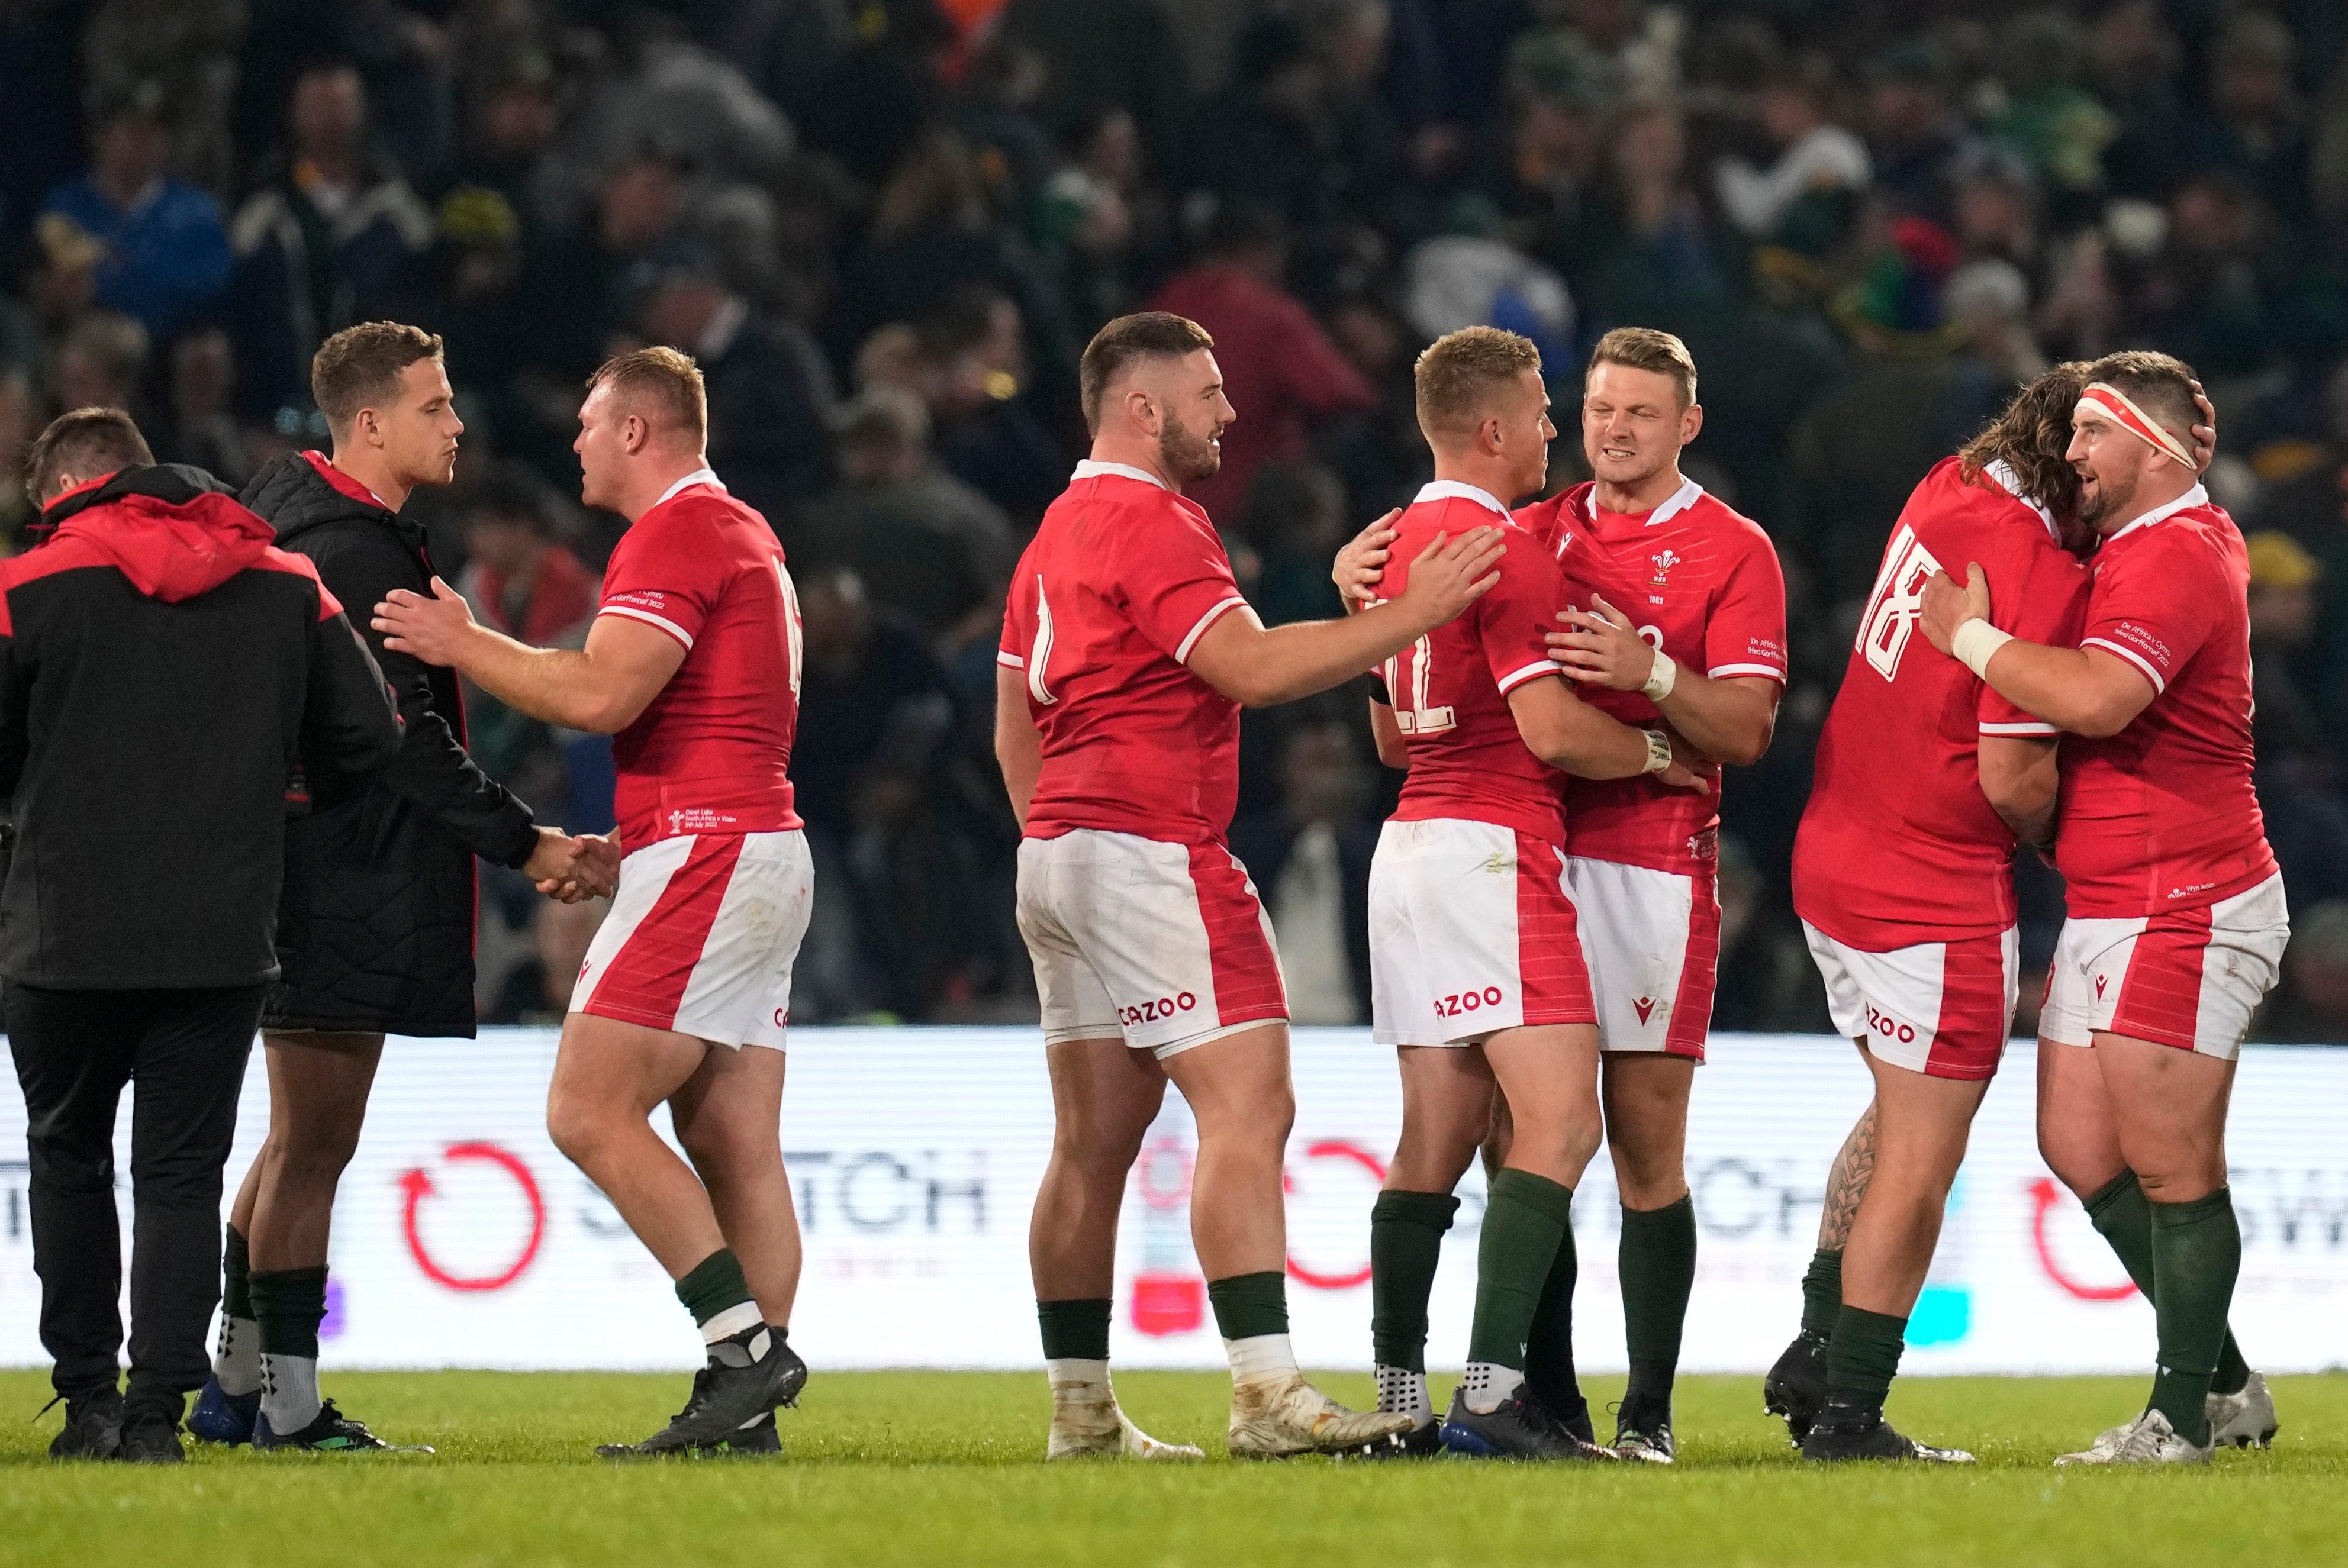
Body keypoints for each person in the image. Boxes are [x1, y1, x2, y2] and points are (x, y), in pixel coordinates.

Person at [993, 311, 1502, 1461]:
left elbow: (1012, 717)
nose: (1230, 411)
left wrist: (1055, 837)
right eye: (1210, 391)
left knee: (1089, 1142)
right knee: (1246, 1105)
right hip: (1151, 841)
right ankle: (1265, 1390)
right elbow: (1247, 666)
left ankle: (1080, 1411)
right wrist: (1401, 619)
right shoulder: (1157, 519)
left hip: (1059, 849)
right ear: (1142, 408)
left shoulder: (1053, 534)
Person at [1337, 327, 1787, 1461]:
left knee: (1639, 1141)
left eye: (1638, 411)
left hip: (1641, 862)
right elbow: (1480, 704)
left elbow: (1746, 729)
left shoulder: (1735, 549)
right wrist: (1363, 595)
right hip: (1521, 852)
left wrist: (1654, 676)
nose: (1605, 428)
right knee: (1519, 1134)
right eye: (1591, 407)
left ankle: (1646, 1411)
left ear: (1687, 423)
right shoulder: (1521, 532)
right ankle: (1533, 1397)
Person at [373, 347, 814, 1459]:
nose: (572, 437)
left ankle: (743, 1355)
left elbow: (605, 690)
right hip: (750, 843)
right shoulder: (742, 530)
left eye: (587, 420)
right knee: (734, 1141)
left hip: (717, 851)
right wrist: (658, 825)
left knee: (585, 1108)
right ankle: (747, 1409)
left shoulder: (673, 532)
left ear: (637, 431)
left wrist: (465, 644)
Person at [196, 323, 607, 1454]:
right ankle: (285, 1404)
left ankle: (232, 1386)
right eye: (434, 405)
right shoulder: (358, 553)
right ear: (370, 423)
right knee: (314, 1146)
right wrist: (524, 844)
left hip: (300, 867)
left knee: (291, 1144)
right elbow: (400, 740)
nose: (458, 423)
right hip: (345, 874)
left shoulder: (288, 516)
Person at [7, 408, 401, 1463]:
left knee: (70, 1158)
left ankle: (89, 1401)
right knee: (182, 1174)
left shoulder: (24, 589)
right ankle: (154, 1420)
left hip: (58, 934)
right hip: (221, 931)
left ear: (65, 495)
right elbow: (369, 731)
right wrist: (281, 790)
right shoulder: (284, 581)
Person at [1919, 351, 2288, 1465]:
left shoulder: (2179, 551)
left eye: (2091, 431)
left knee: (2176, 1165)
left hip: (2190, 895)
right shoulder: (2141, 547)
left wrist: (1970, 639)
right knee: (2078, 1143)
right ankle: (2223, 1380)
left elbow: (2102, 695)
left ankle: (2181, 1417)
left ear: (2161, 446)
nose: (2070, 453)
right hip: (2115, 894)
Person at [1772, 365, 2095, 1463]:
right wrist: (2071, 847)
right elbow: (2012, 777)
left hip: (1834, 854)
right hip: (1931, 882)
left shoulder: (1945, 488)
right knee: (1925, 1149)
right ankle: (1852, 1412)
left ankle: (1819, 1341)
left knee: (1895, 1111)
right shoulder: (2038, 564)